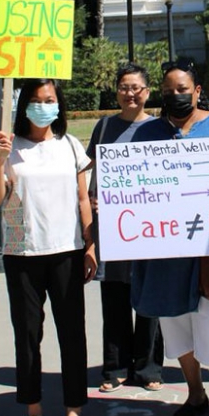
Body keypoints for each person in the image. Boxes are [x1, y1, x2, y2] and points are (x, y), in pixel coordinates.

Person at [130, 59, 209, 416]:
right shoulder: (147, 134)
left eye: (183, 89)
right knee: (176, 326)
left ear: (197, 91)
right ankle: (195, 393)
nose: (175, 96)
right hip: (165, 254)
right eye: (168, 91)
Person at [0, 79, 96, 416]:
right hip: (23, 253)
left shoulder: (71, 146)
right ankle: (33, 410)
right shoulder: (9, 147)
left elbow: (83, 199)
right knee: (28, 335)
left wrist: (90, 244)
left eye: (49, 100)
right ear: (23, 106)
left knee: (72, 333)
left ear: (58, 105)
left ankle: (74, 410)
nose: (43, 106)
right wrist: (0, 159)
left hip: (66, 250)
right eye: (35, 100)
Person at [86, 63, 164, 393]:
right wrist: (92, 203)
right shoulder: (104, 128)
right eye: (123, 87)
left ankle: (148, 367)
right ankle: (115, 367)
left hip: (150, 230)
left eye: (136, 88)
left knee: (150, 299)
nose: (129, 93)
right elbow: (91, 175)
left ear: (147, 92)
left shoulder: (159, 129)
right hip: (113, 228)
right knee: (114, 296)